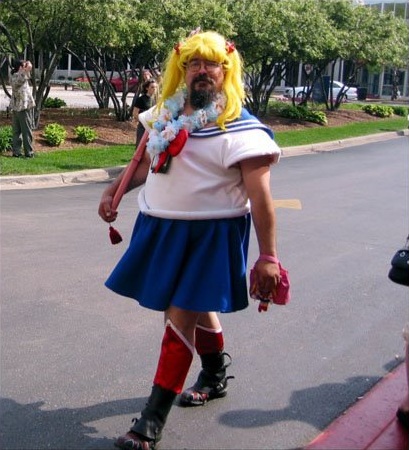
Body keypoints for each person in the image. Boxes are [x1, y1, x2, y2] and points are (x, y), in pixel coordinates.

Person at [98, 29, 282, 450]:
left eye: (211, 64)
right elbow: (146, 164)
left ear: (226, 70)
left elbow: (261, 199)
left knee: (178, 317)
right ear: (181, 70)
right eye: (193, 63)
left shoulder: (242, 129)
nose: (202, 71)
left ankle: (151, 421)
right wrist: (113, 191)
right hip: (160, 229)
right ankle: (214, 375)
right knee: (191, 307)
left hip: (210, 236)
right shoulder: (164, 115)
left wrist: (269, 256)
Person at [9, 59, 36, 158]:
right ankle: (29, 153)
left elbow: (26, 74)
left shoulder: (14, 75)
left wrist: (26, 66)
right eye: (23, 66)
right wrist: (27, 67)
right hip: (23, 108)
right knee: (26, 131)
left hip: (16, 108)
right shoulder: (19, 76)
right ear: (20, 67)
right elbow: (25, 73)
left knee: (16, 132)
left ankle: (16, 152)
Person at [131, 79, 158, 146]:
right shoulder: (141, 99)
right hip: (143, 127)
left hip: (152, 127)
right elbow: (135, 113)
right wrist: (143, 122)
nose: (154, 89)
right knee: (140, 145)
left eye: (155, 87)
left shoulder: (155, 100)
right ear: (147, 88)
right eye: (152, 87)